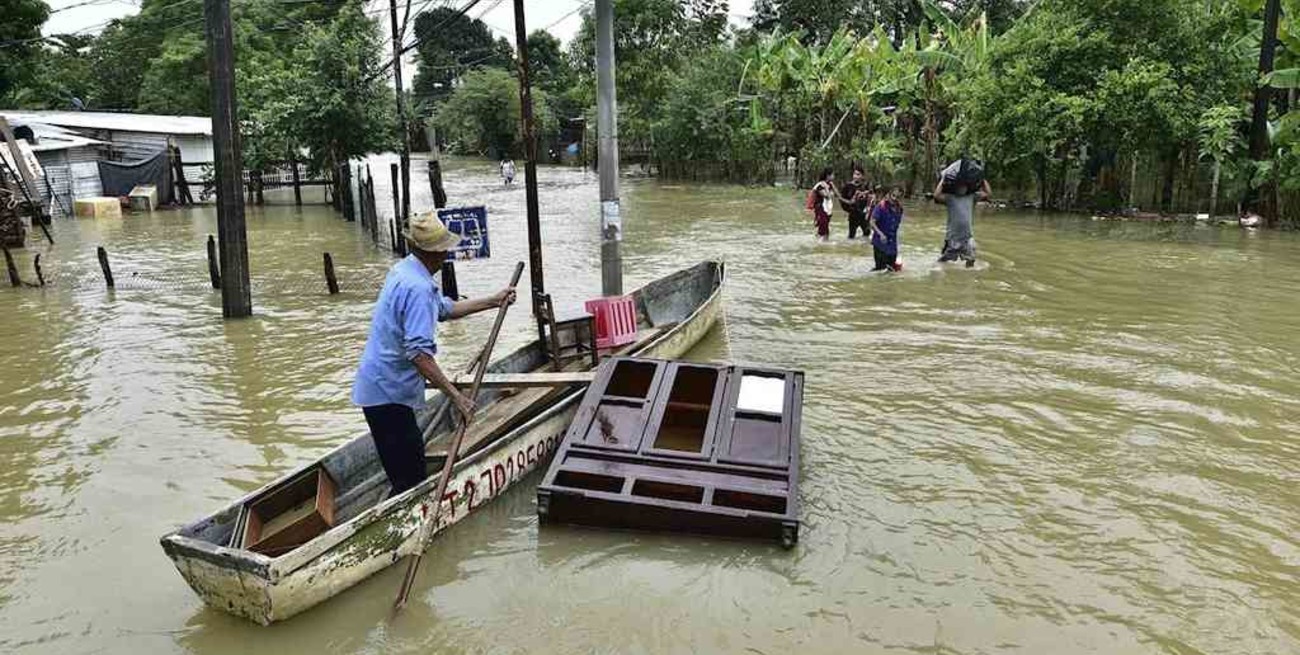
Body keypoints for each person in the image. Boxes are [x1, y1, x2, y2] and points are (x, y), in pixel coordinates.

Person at [351, 212, 516, 495]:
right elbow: (419, 355)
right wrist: (457, 397)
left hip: (378, 388)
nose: (447, 254)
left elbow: (444, 309)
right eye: (444, 249)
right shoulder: (418, 287)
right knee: (410, 482)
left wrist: (493, 300)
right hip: (388, 394)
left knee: (405, 471)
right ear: (434, 252)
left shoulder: (405, 270)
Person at [933, 160, 991, 267]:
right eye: (960, 186)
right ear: (955, 187)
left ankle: (967, 279)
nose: (962, 188)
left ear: (968, 187)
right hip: (952, 238)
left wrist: (982, 180)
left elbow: (988, 193)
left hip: (967, 237)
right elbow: (936, 195)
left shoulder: (972, 197)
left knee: (971, 259)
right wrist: (942, 180)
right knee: (944, 261)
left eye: (964, 186)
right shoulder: (950, 198)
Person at [869, 186, 905, 272]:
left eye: (898, 197)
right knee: (880, 270)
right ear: (889, 195)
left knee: (891, 270)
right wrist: (880, 234)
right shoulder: (881, 207)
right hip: (880, 244)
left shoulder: (899, 209)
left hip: (892, 245)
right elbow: (872, 222)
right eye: (893, 196)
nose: (895, 199)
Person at [839, 163, 873, 240]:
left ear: (862, 176)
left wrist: (869, 211)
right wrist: (848, 209)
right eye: (854, 174)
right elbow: (842, 200)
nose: (855, 176)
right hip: (853, 214)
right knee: (851, 235)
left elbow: (871, 200)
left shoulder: (865, 186)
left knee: (867, 232)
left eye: (858, 174)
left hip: (864, 214)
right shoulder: (847, 187)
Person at [808, 168, 836, 242]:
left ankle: (824, 243)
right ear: (828, 176)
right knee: (823, 228)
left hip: (827, 210)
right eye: (833, 174)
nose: (834, 176)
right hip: (820, 209)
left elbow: (836, 195)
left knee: (825, 229)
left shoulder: (829, 184)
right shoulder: (820, 185)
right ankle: (820, 245)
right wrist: (827, 188)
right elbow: (827, 196)